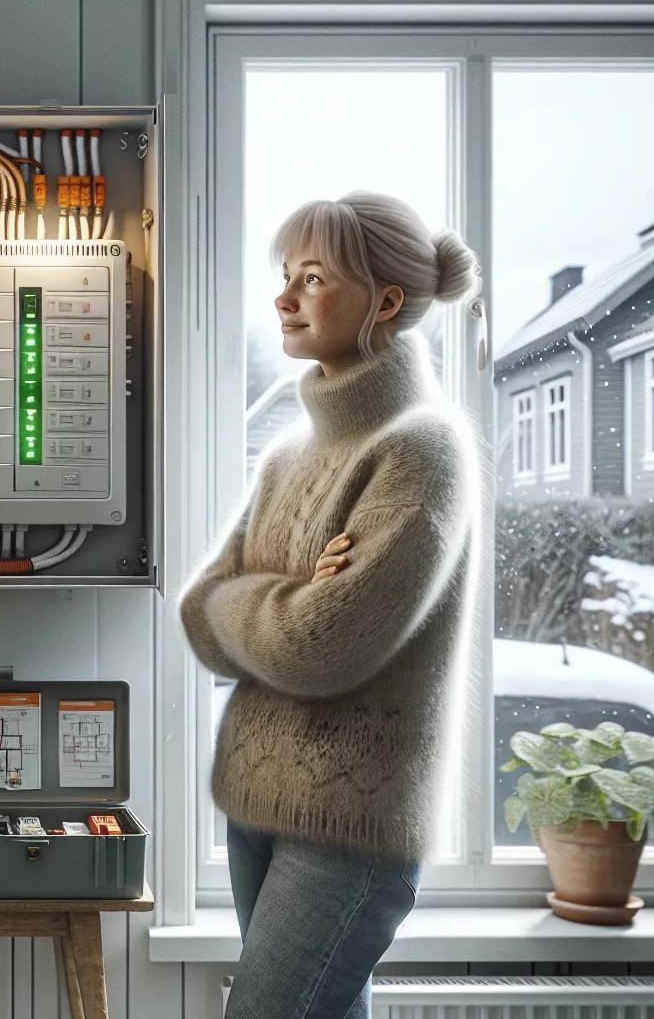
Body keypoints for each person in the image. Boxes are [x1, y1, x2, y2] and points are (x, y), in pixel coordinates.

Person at [179, 192, 485, 1018]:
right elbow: (196, 615)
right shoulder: (288, 453)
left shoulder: (422, 452)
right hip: (253, 799)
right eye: (285, 275)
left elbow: (319, 646)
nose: (283, 297)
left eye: (311, 278)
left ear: (386, 302)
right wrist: (283, 596)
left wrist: (262, 602)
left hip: (349, 829)